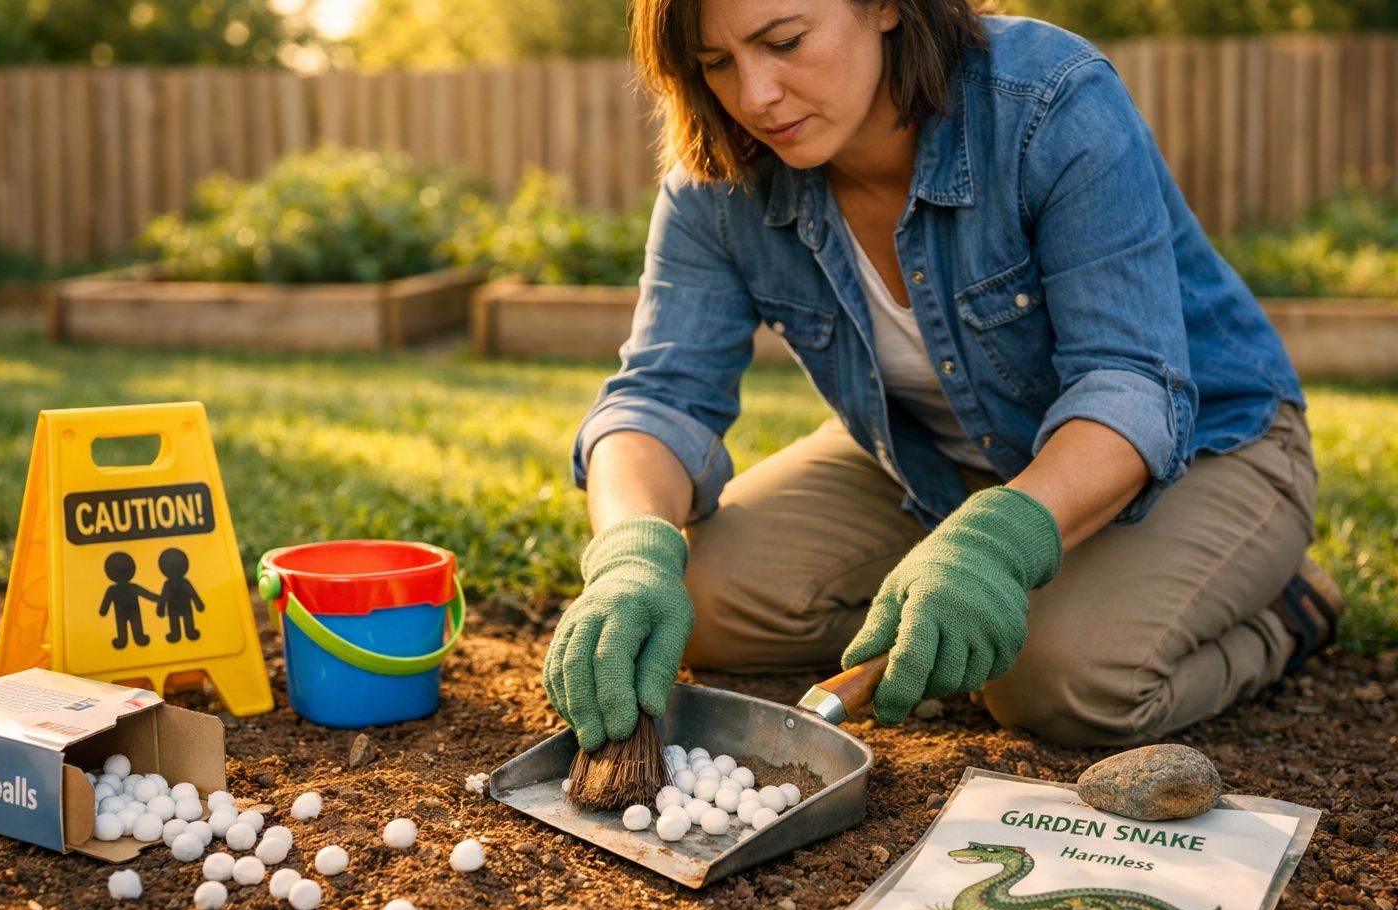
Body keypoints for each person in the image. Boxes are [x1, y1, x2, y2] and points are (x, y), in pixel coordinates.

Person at [540, 0, 1346, 753]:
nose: (754, 96)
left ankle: (1284, 612)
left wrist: (996, 544)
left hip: (1205, 445)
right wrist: (630, 555)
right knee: (703, 603)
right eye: (715, 63)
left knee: (1056, 680)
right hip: (929, 458)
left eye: (784, 43)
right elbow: (659, 395)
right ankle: (955, 607)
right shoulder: (718, 178)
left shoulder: (1049, 100)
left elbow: (1131, 383)